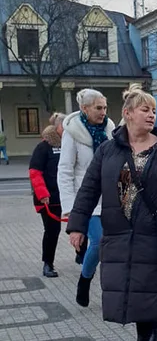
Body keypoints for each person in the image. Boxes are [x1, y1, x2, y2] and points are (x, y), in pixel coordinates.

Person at [67, 85, 157, 341]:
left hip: (154, 233)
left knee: (146, 290)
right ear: (127, 114)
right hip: (118, 232)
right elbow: (88, 189)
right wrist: (77, 225)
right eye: (144, 109)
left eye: (153, 110)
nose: (151, 114)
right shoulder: (108, 150)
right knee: (124, 290)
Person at [58, 89, 115, 306]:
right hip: (85, 199)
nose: (103, 112)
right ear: (85, 108)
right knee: (99, 241)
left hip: (109, 196)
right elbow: (64, 170)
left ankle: (112, 290)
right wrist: (70, 208)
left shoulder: (111, 128)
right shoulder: (72, 132)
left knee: (112, 244)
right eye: (98, 108)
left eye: (105, 108)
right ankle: (85, 279)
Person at [29, 113, 66, 277]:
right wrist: (43, 194)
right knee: (52, 231)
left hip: (65, 195)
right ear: (58, 127)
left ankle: (82, 255)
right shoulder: (44, 147)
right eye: (66, 127)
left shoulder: (69, 144)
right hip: (49, 198)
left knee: (82, 227)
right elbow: (35, 173)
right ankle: (48, 263)